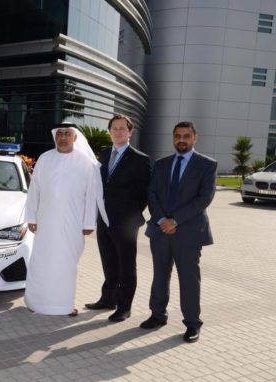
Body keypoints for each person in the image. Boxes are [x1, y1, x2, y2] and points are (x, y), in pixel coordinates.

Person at [140, 121, 217, 343]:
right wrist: (163, 219)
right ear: (172, 138)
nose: (181, 140)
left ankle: (193, 323)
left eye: (186, 136)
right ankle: (157, 315)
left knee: (189, 279)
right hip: (160, 230)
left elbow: (204, 199)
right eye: (177, 136)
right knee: (160, 275)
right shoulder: (162, 164)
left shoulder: (207, 165)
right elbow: (152, 193)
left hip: (189, 232)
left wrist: (175, 221)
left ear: (195, 137)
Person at [24, 122, 108, 316]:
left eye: (67, 134)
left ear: (75, 137)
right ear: (55, 137)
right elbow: (34, 190)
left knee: (66, 265)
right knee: (41, 263)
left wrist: (88, 223)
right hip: (45, 223)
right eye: (59, 134)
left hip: (73, 224)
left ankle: (63, 306)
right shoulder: (45, 159)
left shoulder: (85, 162)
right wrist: (31, 217)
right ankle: (37, 303)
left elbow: (91, 195)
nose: (63, 137)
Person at [85, 115, 151, 322]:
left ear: (130, 132)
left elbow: (144, 194)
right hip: (103, 220)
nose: (118, 132)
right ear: (110, 131)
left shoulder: (140, 159)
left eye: (123, 128)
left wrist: (129, 215)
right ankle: (108, 299)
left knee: (126, 265)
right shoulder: (104, 154)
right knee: (108, 262)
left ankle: (124, 307)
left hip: (126, 223)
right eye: (114, 128)